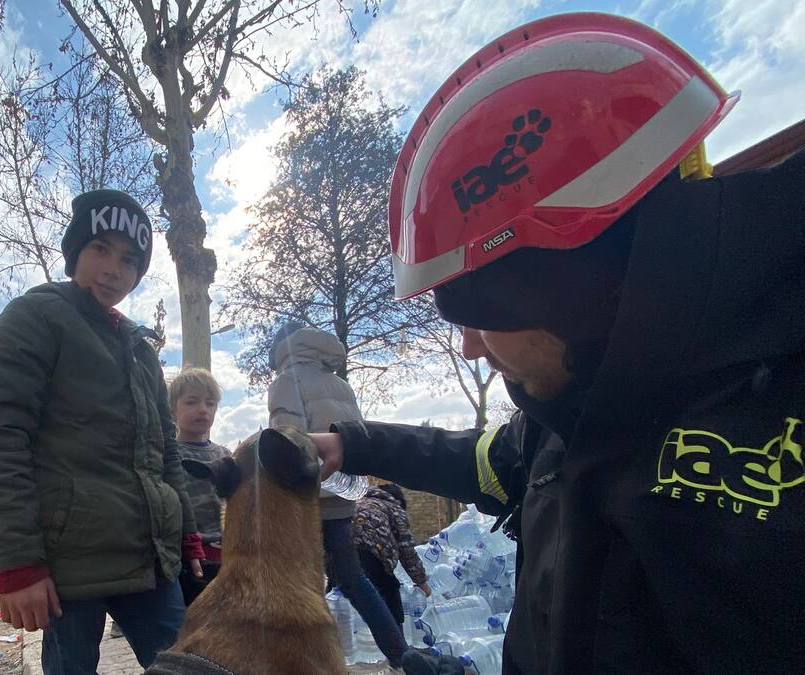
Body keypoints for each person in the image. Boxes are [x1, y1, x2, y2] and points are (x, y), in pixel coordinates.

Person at [311, 12, 805, 674]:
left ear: (567, 287)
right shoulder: (571, 407)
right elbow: (486, 460)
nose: (472, 350)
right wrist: (356, 443)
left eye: (477, 312)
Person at [0, 189, 204, 674]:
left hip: (147, 561)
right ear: (76, 250)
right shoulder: (36, 318)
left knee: (194, 666)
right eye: (101, 249)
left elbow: (167, 455)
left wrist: (185, 534)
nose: (114, 269)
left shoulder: (141, 350)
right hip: (65, 568)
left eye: (129, 259)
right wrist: (18, 565)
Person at [267, 323, 412, 669]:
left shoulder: (286, 381)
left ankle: (305, 662)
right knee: (354, 579)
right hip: (344, 493)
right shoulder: (339, 383)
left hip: (305, 494)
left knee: (297, 583)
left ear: (279, 350)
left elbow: (285, 438)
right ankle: (402, 655)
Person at [168, 367, 229, 605]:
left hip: (226, 552)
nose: (203, 409)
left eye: (210, 403)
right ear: (173, 410)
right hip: (189, 555)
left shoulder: (225, 455)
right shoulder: (169, 455)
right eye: (192, 402)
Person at [353, 484, 430, 631]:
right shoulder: (394, 508)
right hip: (371, 552)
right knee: (389, 590)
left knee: (344, 597)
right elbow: (406, 549)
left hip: (340, 550)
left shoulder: (359, 502)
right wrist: (421, 582)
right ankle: (397, 645)